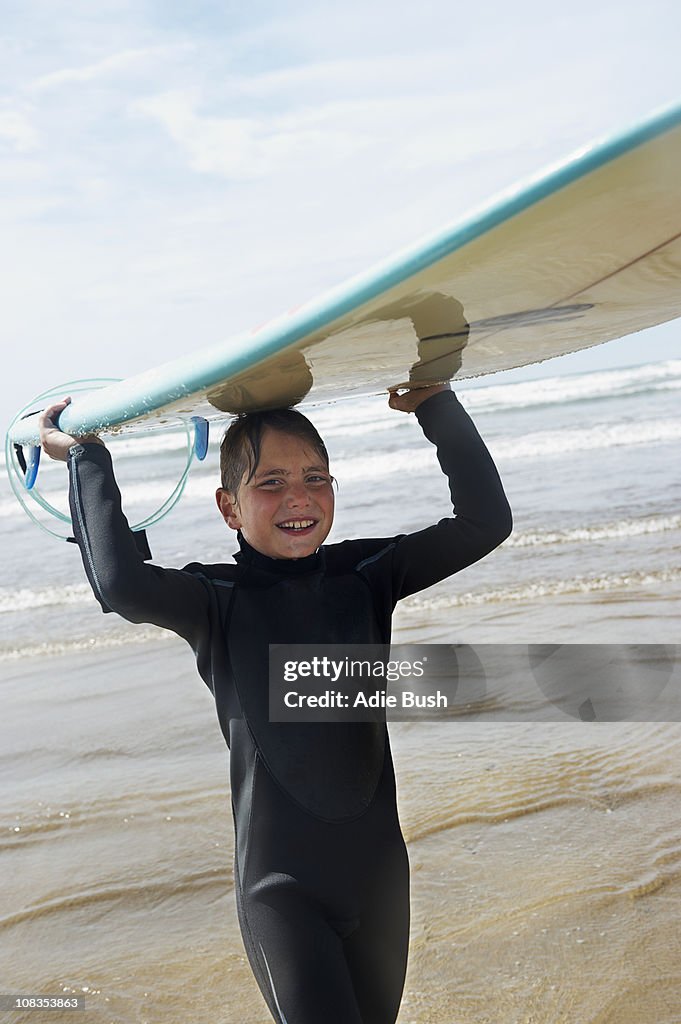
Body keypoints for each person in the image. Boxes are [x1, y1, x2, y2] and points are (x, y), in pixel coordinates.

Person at [39, 382, 512, 1024]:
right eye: (271, 483)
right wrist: (87, 459)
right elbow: (121, 584)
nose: (299, 498)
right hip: (281, 892)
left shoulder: (367, 574)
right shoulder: (214, 599)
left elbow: (486, 522)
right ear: (228, 507)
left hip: (379, 883)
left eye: (318, 478)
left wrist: (436, 406)